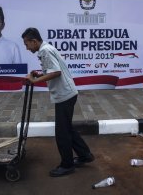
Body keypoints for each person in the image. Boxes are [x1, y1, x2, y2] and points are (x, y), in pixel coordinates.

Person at [22, 27, 94, 177]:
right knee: (67, 128)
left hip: (65, 95)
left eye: (27, 44)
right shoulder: (46, 48)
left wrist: (35, 80)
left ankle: (67, 165)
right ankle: (85, 155)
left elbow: (56, 72)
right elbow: (52, 69)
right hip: (67, 93)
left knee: (62, 132)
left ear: (34, 41)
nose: (27, 48)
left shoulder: (45, 50)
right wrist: (40, 73)